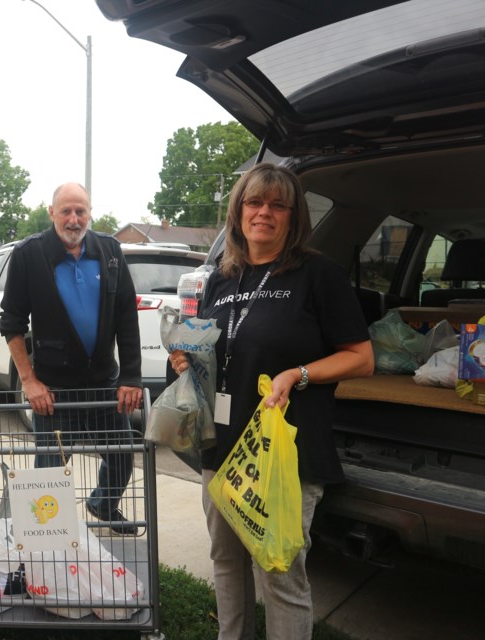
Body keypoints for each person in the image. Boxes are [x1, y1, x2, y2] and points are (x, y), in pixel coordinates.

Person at [169, 163, 374, 639]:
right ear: (238, 212)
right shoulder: (219, 278)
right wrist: (186, 358)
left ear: (292, 216)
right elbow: (210, 350)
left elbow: (361, 358)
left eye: (277, 205)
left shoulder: (317, 274)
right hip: (220, 449)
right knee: (225, 561)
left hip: (283, 454)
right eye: (254, 202)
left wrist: (297, 374)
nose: (264, 213)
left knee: (279, 572)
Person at [0, 182, 143, 535]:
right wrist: (30, 381)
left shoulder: (109, 251)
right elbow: (11, 324)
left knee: (122, 458)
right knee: (49, 472)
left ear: (90, 213)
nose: (74, 219)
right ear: (52, 213)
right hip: (54, 394)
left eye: (81, 211)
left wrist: (132, 377)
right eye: (66, 211)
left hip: (104, 387)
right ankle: (48, 539)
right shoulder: (29, 255)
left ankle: (103, 504)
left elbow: (126, 316)